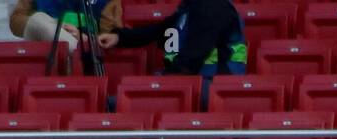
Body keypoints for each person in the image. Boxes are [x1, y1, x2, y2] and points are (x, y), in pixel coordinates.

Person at [97, 0, 246, 76]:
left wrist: (168, 76)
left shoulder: (213, 6)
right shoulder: (190, 7)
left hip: (214, 80)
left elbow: (195, 54)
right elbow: (160, 30)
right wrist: (119, 38)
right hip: (195, 78)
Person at [10, 0, 122, 53]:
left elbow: (112, 36)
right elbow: (16, 22)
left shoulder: (108, 2)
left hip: (87, 49)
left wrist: (84, 38)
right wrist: (54, 26)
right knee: (37, 20)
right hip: (43, 50)